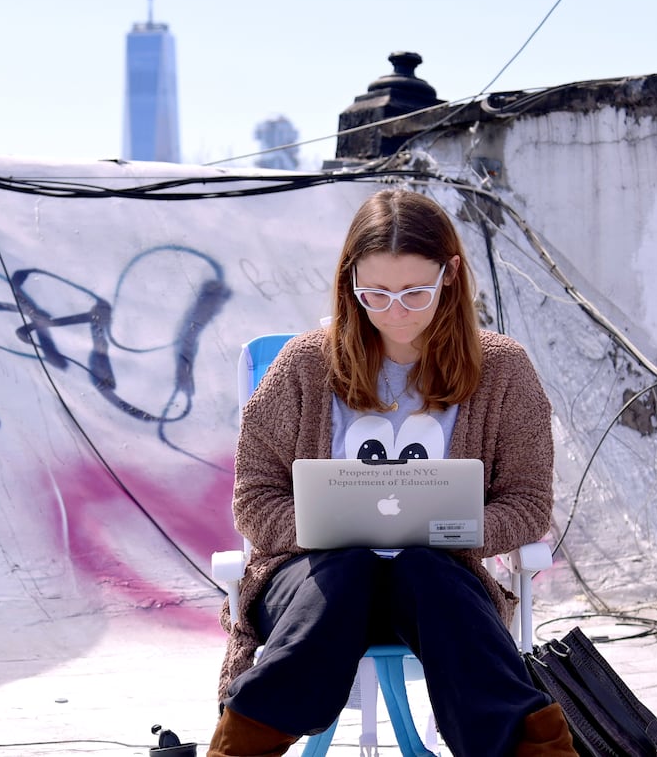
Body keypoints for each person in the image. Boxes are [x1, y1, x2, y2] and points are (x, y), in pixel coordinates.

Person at [209, 189, 577, 756]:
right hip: (310, 579)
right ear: (349, 279)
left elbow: (527, 503)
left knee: (428, 574)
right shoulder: (305, 364)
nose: (394, 310)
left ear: (450, 273)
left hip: (440, 583)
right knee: (347, 570)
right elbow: (254, 497)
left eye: (413, 291)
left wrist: (454, 529)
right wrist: (322, 529)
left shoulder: (503, 370)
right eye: (374, 292)